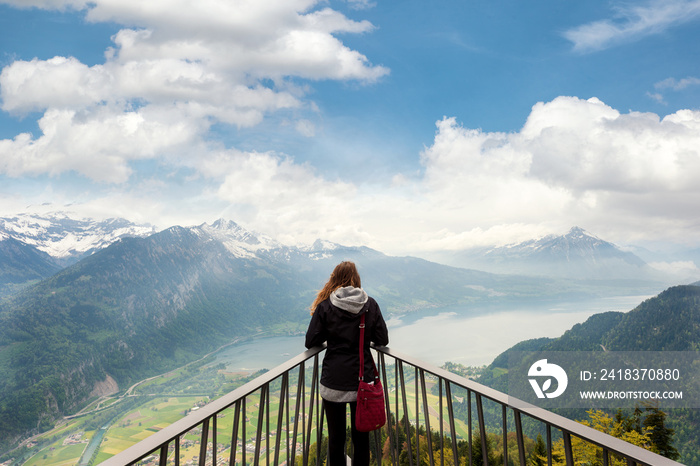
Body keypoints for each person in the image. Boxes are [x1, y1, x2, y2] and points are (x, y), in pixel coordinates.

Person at [305, 261, 389, 466]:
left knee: (336, 438)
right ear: (356, 278)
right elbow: (382, 339)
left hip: (333, 381)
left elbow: (311, 341)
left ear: (334, 279)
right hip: (362, 382)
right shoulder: (371, 305)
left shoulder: (325, 306)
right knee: (361, 440)